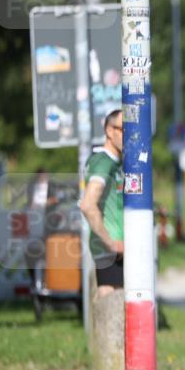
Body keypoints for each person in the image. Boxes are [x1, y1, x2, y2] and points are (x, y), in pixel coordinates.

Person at [79, 109, 124, 297]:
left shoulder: (115, 162)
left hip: (119, 247)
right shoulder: (103, 162)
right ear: (109, 130)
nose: (128, 135)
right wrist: (111, 243)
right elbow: (88, 205)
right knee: (112, 313)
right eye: (123, 129)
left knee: (122, 315)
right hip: (111, 249)